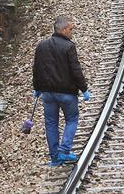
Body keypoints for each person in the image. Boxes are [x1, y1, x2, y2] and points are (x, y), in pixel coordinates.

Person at [32, 16, 91, 167]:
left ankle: (55, 157)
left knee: (51, 124)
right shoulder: (69, 46)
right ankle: (64, 150)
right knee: (72, 119)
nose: (72, 32)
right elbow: (75, 70)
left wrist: (37, 88)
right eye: (71, 29)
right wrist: (84, 89)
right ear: (63, 29)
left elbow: (37, 69)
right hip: (67, 94)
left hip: (48, 94)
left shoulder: (41, 46)